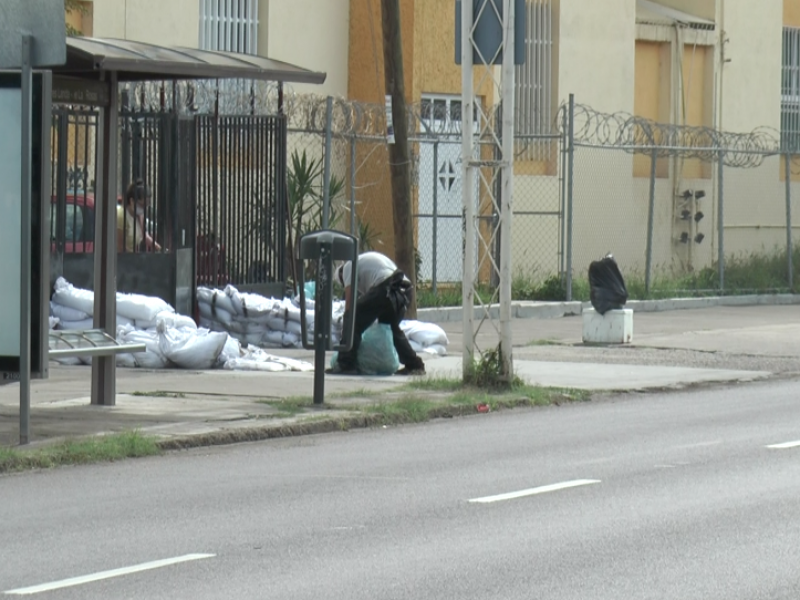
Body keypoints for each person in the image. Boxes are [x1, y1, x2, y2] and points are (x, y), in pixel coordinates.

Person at [329, 251, 426, 376]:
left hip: (386, 286)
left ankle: (346, 364)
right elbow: (372, 305)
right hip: (404, 290)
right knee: (391, 328)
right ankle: (415, 365)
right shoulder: (364, 266)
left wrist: (347, 324)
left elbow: (350, 304)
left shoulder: (348, 267)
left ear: (341, 275)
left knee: (352, 318)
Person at [116, 178, 161, 253]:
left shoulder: (139, 216)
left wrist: (157, 247)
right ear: (132, 201)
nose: (144, 208)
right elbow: (120, 248)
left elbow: (144, 235)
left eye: (147, 205)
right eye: (142, 205)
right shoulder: (121, 217)